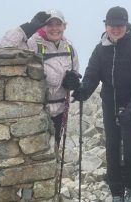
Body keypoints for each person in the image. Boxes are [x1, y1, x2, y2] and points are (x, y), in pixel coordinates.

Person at [72, 6, 131, 202]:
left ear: (126, 25)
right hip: (111, 105)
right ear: (106, 26)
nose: (116, 29)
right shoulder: (100, 49)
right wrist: (83, 91)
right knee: (112, 149)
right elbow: (92, 76)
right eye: (112, 25)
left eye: (120, 25)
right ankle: (117, 192)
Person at [26, 9, 81, 147]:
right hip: (38, 109)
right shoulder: (33, 44)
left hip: (61, 109)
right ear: (43, 26)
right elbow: (7, 45)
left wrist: (73, 80)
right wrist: (29, 26)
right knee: (37, 150)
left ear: (64, 26)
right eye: (50, 24)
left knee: (54, 146)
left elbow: (75, 70)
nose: (55, 28)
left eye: (59, 24)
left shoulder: (69, 47)